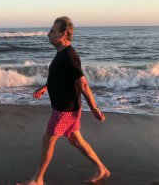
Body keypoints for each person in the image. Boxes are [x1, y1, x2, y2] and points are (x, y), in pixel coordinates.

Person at [17, 16, 110, 185]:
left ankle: (38, 179)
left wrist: (95, 109)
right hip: (66, 108)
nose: (48, 34)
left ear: (63, 33)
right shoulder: (60, 53)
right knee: (75, 140)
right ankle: (102, 169)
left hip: (65, 110)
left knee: (48, 140)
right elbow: (61, 77)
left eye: (52, 31)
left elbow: (83, 85)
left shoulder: (70, 56)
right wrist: (45, 87)